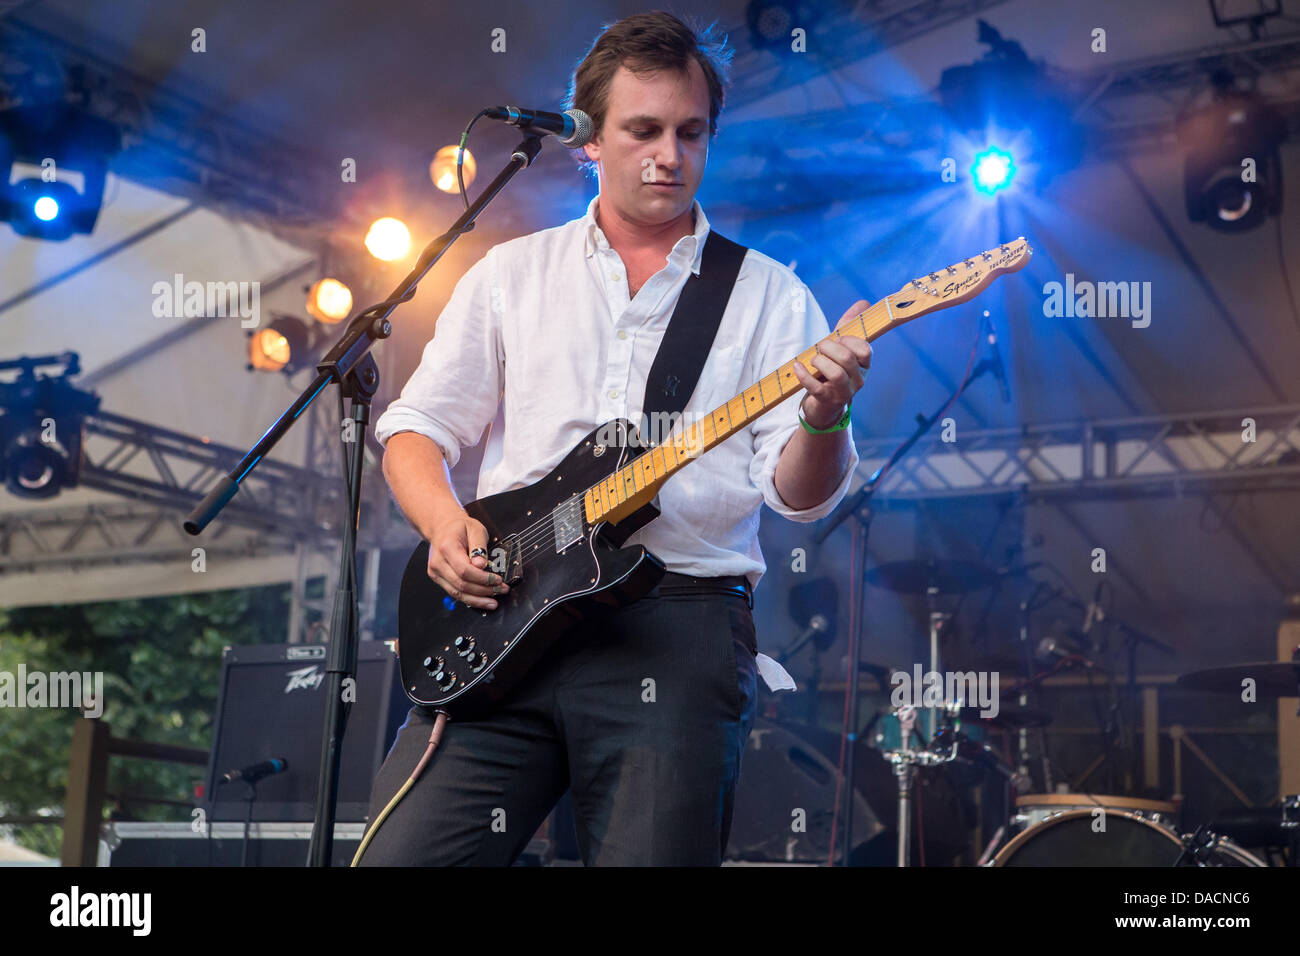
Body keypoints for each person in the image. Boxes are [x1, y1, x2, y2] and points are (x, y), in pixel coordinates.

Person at [359, 11, 871, 866]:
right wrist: (445, 528)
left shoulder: (771, 296)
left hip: (675, 628)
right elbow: (416, 429)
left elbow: (799, 496)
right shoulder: (512, 273)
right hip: (506, 615)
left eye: (690, 132)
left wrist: (828, 414)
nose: (669, 156)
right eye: (643, 131)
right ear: (588, 140)